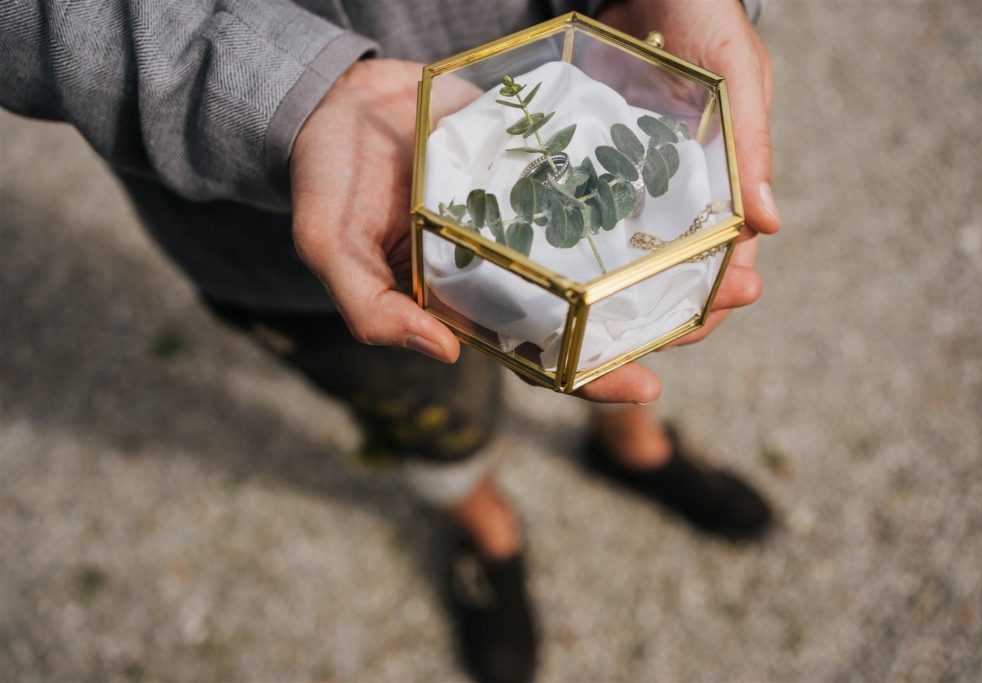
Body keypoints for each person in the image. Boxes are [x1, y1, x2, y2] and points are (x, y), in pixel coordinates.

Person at [1, 0, 780, 681]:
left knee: (627, 331)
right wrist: (286, 93)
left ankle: (631, 445)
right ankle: (483, 527)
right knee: (423, 401)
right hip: (300, 217)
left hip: (597, 85)